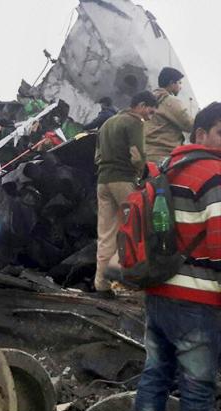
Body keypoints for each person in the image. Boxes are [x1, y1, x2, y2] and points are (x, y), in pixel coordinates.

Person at [135, 102, 221, 411]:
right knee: (197, 391)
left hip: (157, 289)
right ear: (201, 133)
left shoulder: (165, 166)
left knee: (154, 379)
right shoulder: (214, 174)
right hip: (196, 301)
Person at [94, 91, 158, 293]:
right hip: (123, 180)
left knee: (106, 233)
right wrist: (139, 175)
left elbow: (97, 156)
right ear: (140, 105)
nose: (152, 114)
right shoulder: (135, 122)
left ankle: (101, 284)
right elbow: (138, 156)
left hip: (103, 181)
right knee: (134, 227)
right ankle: (116, 270)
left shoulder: (107, 124)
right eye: (151, 108)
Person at [145, 67, 194, 163]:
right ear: (172, 83)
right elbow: (189, 124)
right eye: (179, 83)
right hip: (164, 157)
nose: (181, 87)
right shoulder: (170, 101)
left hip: (147, 154)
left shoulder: (148, 100)